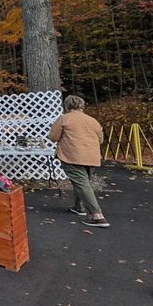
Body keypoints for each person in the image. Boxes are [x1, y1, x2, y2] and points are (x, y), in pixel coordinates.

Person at [48, 95, 109, 228]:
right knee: (82, 183)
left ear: (67, 105)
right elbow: (101, 140)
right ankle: (78, 207)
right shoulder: (93, 121)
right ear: (82, 105)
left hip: (72, 156)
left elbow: (53, 137)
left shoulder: (64, 118)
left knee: (82, 184)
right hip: (92, 157)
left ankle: (97, 216)